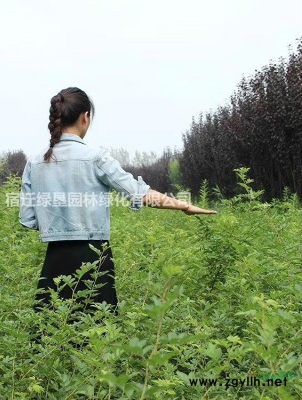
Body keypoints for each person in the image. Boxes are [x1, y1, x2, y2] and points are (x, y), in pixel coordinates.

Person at [19, 87, 217, 321]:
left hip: (55, 258)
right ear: (85, 117)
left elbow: (28, 219)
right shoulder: (95, 157)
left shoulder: (35, 161)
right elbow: (139, 193)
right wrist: (183, 205)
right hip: (93, 255)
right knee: (98, 331)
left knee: (50, 330)